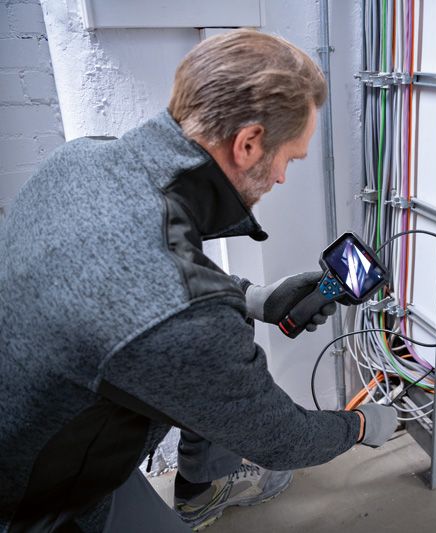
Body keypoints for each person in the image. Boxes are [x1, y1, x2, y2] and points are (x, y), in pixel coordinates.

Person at [0, 30, 397, 532]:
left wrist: (253, 298)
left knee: (230, 329)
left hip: (43, 426)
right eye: (289, 159)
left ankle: (201, 485)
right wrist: (360, 425)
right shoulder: (183, 316)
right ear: (249, 143)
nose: (281, 178)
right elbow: (280, 438)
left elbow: (145, 275)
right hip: (36, 502)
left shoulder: (80, 160)